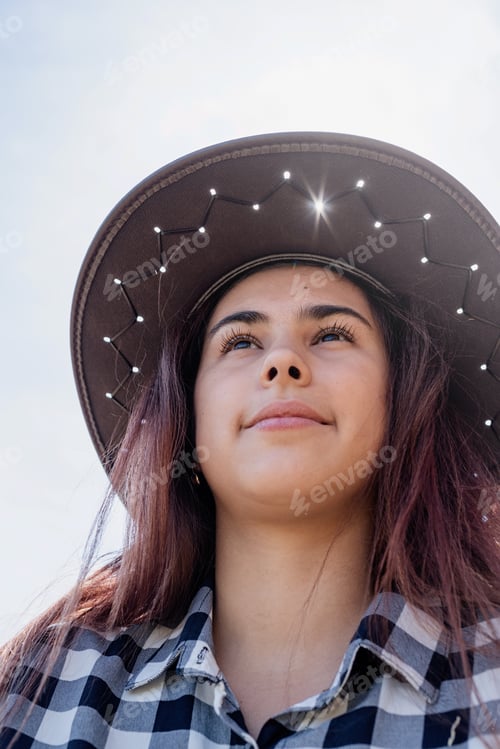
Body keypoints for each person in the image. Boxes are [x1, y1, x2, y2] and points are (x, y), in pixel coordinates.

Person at [1, 132, 499, 749]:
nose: (283, 363)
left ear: (404, 398)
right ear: (186, 411)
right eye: (239, 343)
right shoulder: (38, 690)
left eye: (334, 334)